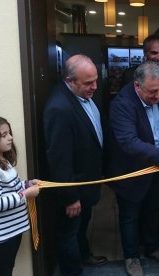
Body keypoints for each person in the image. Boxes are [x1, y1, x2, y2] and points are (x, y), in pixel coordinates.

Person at [106, 61, 159, 276]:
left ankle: (153, 248)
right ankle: (132, 257)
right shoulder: (122, 104)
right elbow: (128, 142)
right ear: (137, 86)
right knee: (130, 216)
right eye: (152, 91)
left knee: (154, 210)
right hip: (131, 170)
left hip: (157, 168)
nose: (158, 96)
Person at [44, 54, 107, 276]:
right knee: (69, 232)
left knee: (82, 226)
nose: (95, 87)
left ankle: (84, 255)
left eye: (96, 80)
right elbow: (59, 159)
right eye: (88, 83)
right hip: (74, 188)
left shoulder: (83, 96)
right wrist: (70, 196)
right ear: (70, 81)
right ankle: (73, 271)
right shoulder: (59, 108)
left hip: (87, 183)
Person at [121, 34, 159, 243]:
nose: (158, 57)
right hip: (138, 149)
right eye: (153, 52)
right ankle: (137, 244)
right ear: (145, 54)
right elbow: (126, 122)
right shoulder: (129, 76)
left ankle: (156, 235)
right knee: (136, 200)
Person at [0, 115, 40, 276]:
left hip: (12, 230)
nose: (10, 138)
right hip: (2, 235)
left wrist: (27, 184)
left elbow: (11, 188)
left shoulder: (3, 161)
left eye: (9, 133)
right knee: (2, 271)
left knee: (7, 268)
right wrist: (26, 194)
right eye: (4, 135)